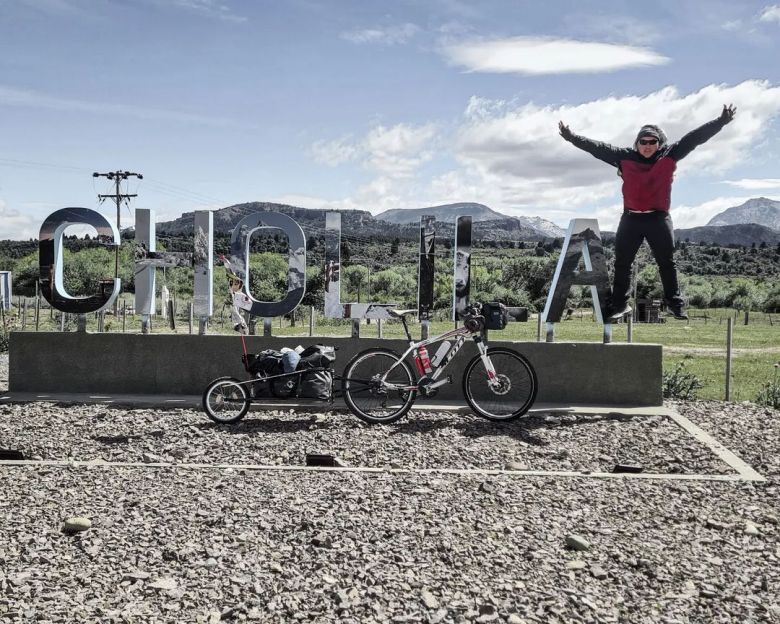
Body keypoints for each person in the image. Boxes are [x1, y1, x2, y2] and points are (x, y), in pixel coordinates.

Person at [558, 104, 736, 321]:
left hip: (658, 218)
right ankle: (620, 305)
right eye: (644, 141)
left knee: (666, 263)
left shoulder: (669, 155)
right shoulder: (623, 157)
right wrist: (571, 137)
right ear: (637, 143)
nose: (648, 145)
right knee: (622, 263)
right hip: (631, 219)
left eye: (653, 142)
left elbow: (694, 138)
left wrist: (720, 122)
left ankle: (675, 305)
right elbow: (597, 148)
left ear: (659, 144)